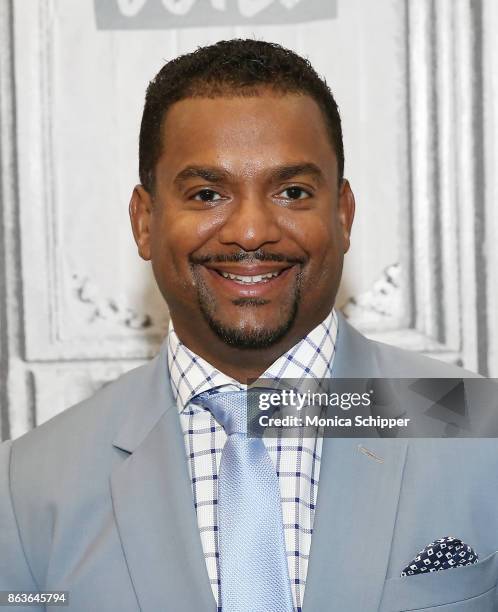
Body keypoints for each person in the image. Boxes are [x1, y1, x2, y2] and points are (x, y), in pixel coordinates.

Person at [1, 39, 497, 612]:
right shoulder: (27, 486)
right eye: (207, 194)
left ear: (342, 216)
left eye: (292, 192)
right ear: (144, 221)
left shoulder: (475, 425)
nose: (253, 230)